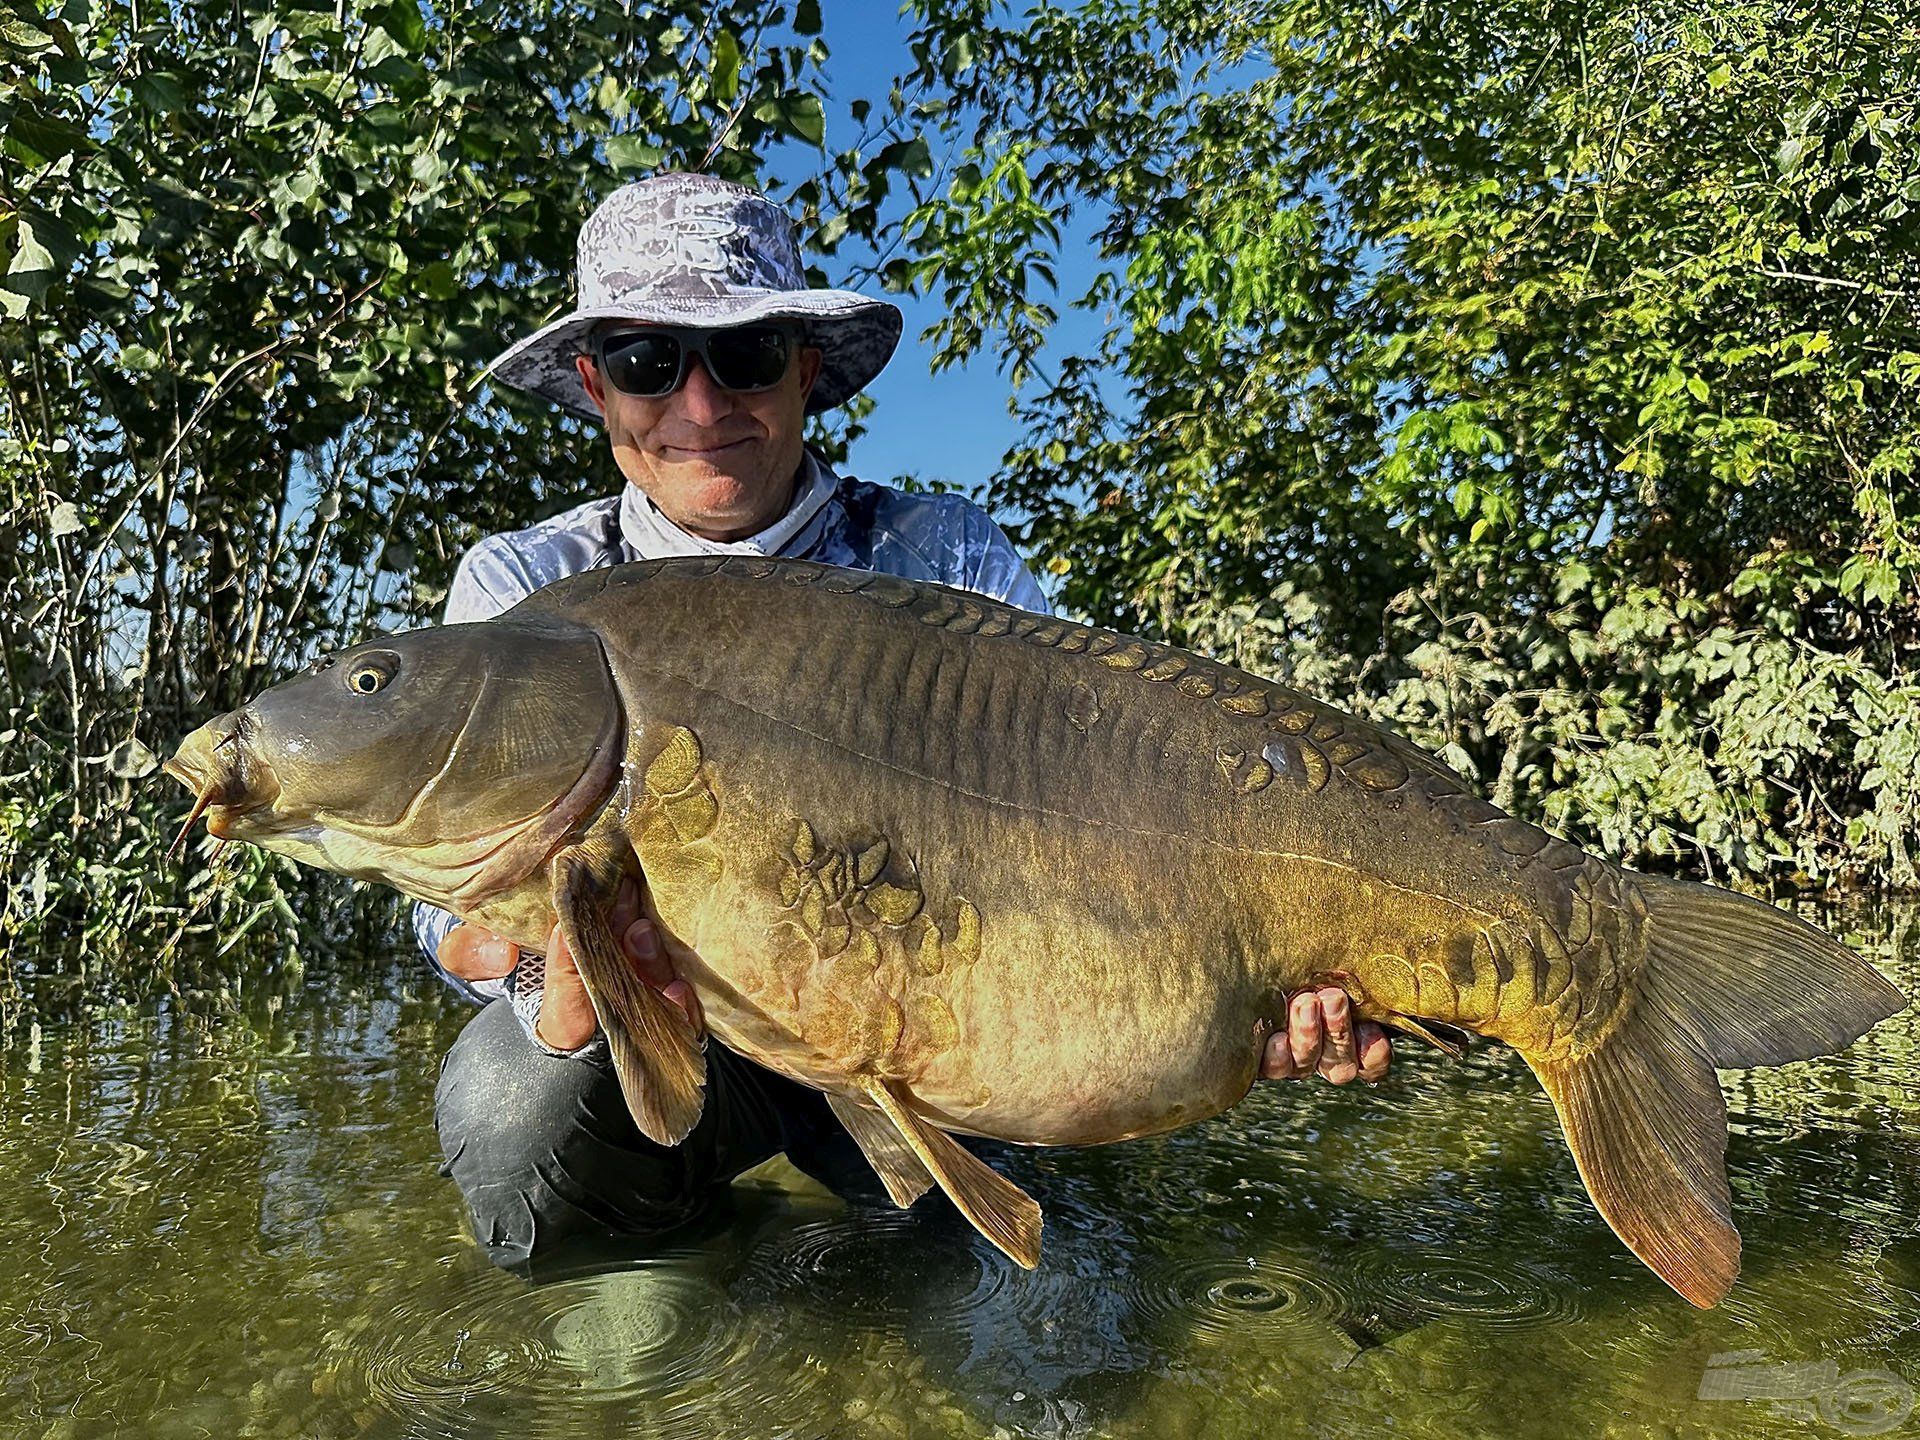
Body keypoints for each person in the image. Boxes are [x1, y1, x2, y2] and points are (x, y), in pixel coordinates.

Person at [418, 172, 1391, 1270]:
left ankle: (963, 1231)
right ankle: (670, 1268)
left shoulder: (944, 559)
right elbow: (444, 915)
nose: (700, 408)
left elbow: (1112, 803)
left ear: (804, 366)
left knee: (1050, 1316)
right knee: (513, 1103)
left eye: (742, 357)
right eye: (651, 363)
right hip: (687, 1027)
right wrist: (559, 972)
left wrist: (1245, 970)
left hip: (947, 1023)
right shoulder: (524, 591)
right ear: (596, 386)